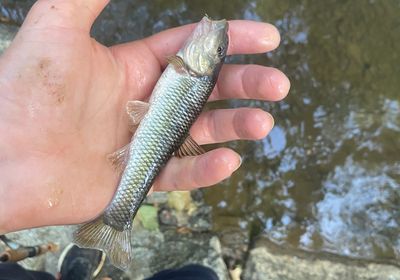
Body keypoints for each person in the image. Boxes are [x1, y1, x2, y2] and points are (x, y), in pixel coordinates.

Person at [0, 0, 290, 278]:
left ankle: (115, 222)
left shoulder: (185, 67)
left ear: (209, 63)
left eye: (217, 48)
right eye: (219, 47)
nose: (215, 39)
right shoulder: (186, 67)